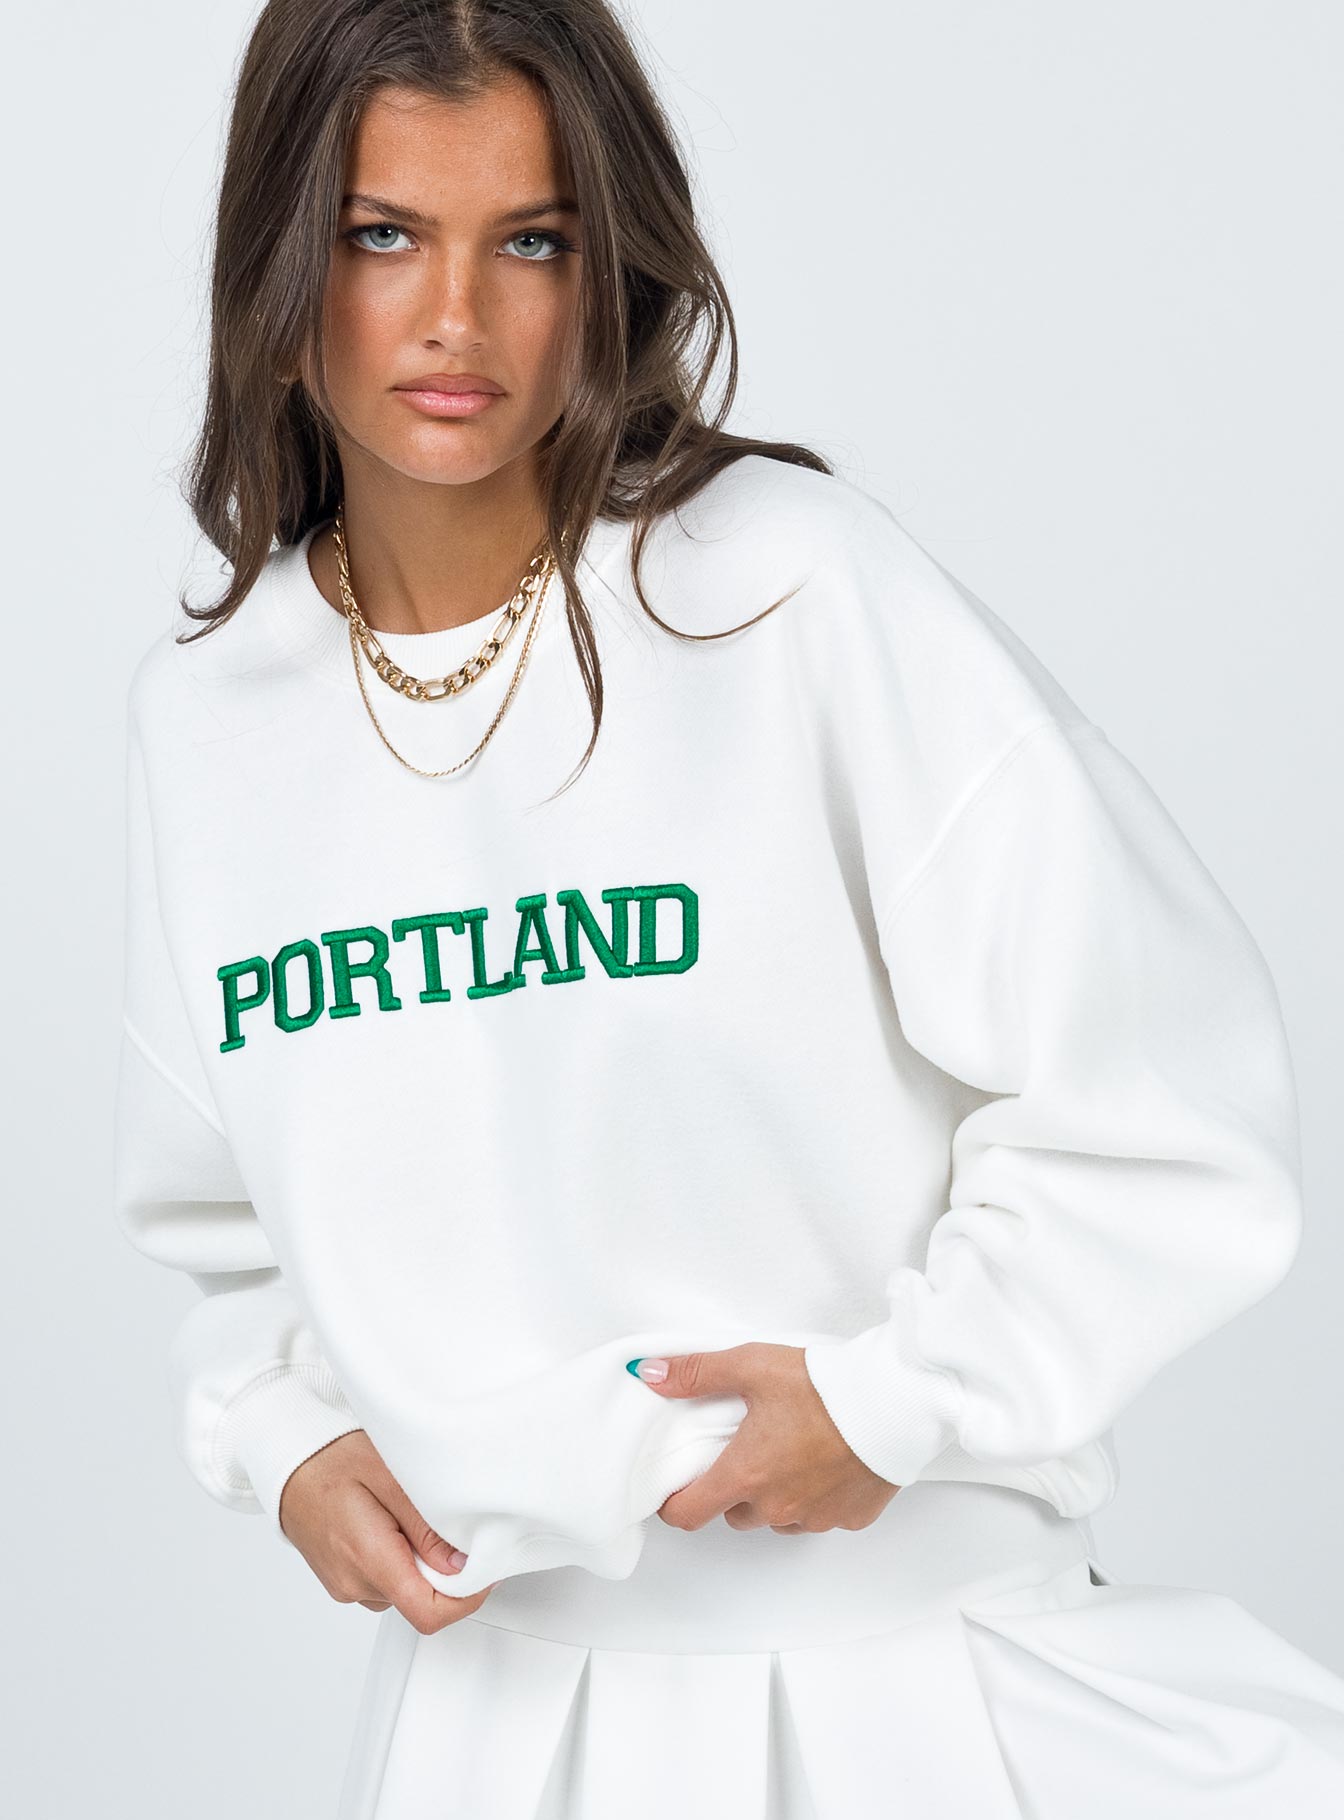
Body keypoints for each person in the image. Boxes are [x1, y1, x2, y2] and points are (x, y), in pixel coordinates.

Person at [113, 1, 1344, 1815]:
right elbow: (221, 1219)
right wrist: (285, 1435)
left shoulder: (781, 591)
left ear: (608, 268)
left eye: (532, 241)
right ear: (282, 267)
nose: (455, 316)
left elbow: (1162, 1086)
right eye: (383, 235)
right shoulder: (214, 720)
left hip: (899, 1679)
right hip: (494, 1720)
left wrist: (899, 1401)